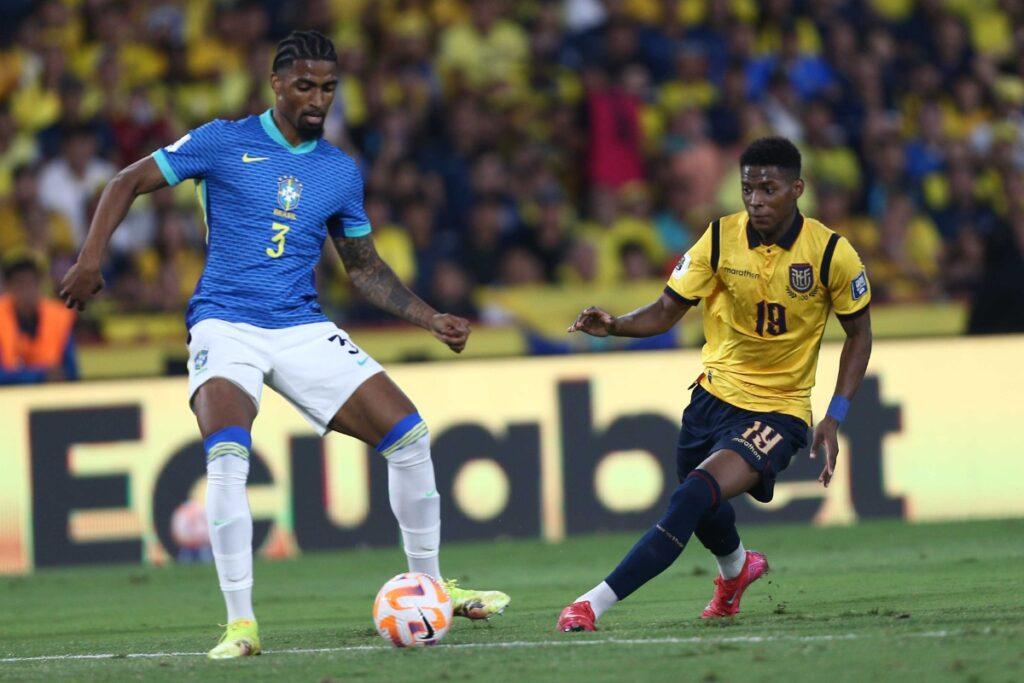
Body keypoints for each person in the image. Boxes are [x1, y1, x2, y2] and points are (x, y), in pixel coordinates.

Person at [59, 30, 509, 660]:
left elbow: (364, 267)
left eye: (328, 87)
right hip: (225, 323)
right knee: (228, 455)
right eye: (305, 85)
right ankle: (241, 625)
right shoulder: (223, 140)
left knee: (409, 436)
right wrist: (89, 259)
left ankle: (430, 586)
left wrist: (429, 317)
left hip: (300, 326)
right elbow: (126, 182)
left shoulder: (338, 170)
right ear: (276, 84)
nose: (317, 98)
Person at [557, 137, 872, 631]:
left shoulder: (833, 254)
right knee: (702, 506)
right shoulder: (721, 239)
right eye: (748, 189)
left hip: (778, 412)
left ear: (797, 189)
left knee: (691, 495)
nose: (756, 200)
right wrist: (615, 324)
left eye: (768, 189)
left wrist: (835, 415)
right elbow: (666, 310)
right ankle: (737, 570)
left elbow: (859, 333)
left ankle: (591, 604)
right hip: (709, 400)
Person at [0, 250, 77, 384]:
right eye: (20, 284)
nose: (26, 290)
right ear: (8, 287)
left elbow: (72, 372)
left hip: (52, 395)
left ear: (39, 284)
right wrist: (40, 376)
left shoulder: (58, 316)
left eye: (31, 283)